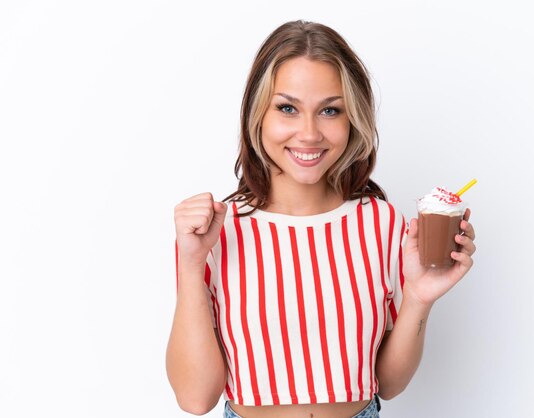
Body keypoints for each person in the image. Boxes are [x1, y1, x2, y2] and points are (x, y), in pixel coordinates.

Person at [166, 20, 476, 418]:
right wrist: (191, 264)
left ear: (353, 119)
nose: (309, 133)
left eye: (330, 110)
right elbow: (195, 399)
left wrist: (418, 299)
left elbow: (388, 385)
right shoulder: (214, 232)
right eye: (288, 108)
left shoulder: (380, 224)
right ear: (256, 114)